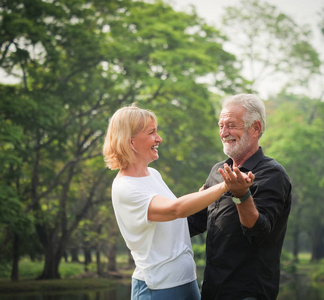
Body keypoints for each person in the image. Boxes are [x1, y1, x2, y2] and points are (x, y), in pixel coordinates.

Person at [102, 104, 254, 300]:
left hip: (186, 281)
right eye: (151, 133)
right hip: (158, 287)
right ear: (131, 142)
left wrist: (201, 196)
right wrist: (226, 186)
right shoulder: (126, 188)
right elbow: (176, 210)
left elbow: (173, 215)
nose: (159, 138)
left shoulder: (153, 175)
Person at [188, 94, 292, 300]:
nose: (224, 133)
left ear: (255, 128)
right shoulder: (218, 171)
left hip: (248, 294)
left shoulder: (272, 174)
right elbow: (194, 223)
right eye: (221, 126)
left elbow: (258, 232)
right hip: (212, 291)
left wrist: (242, 196)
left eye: (231, 125)